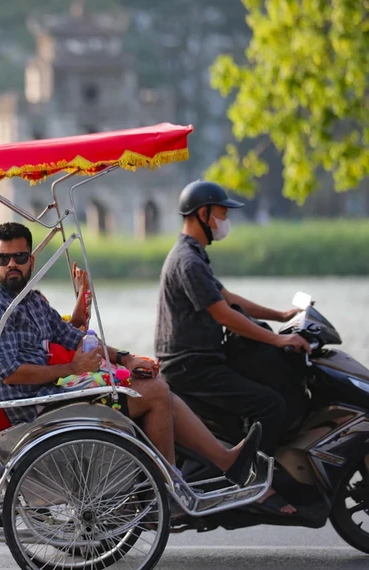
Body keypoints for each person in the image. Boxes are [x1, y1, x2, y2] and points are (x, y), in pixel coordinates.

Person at [0, 222, 262, 487]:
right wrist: (71, 367)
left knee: (155, 384)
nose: (12, 265)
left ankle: (219, 463)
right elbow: (10, 373)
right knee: (154, 393)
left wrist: (125, 358)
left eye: (20, 258)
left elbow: (76, 337)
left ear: (31, 260)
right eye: (3, 259)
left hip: (54, 395)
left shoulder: (30, 299)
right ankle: (166, 485)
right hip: (36, 411)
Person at [154, 179, 311, 515]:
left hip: (202, 361)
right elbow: (223, 314)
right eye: (222, 214)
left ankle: (241, 471)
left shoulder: (194, 255)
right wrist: (278, 338)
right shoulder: (188, 261)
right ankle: (258, 488)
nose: (225, 222)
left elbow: (228, 298)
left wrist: (280, 314)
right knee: (270, 405)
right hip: (191, 368)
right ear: (203, 214)